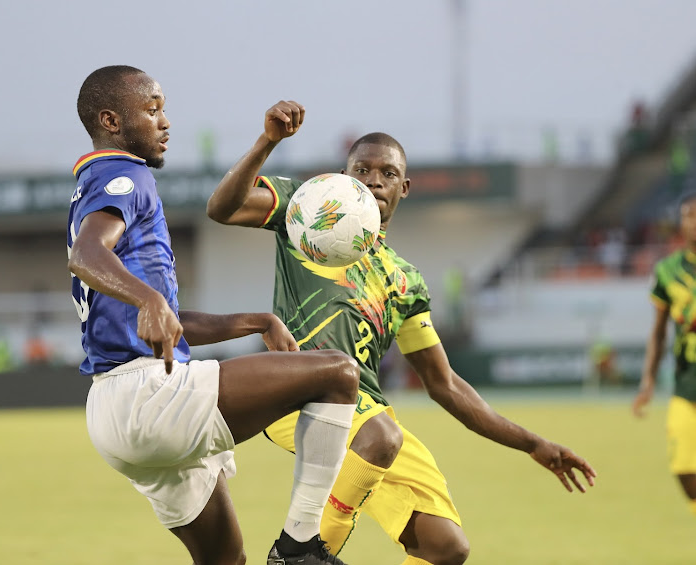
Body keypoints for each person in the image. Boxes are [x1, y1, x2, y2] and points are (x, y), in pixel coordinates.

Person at [207, 100, 598, 565]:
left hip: (367, 413)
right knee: (381, 436)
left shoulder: (405, 281)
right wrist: (268, 141)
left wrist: (534, 443)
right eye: (363, 170)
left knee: (447, 548)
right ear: (346, 176)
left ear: (405, 187)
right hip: (298, 394)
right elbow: (222, 208)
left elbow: (445, 385)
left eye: (388, 173)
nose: (374, 180)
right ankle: (296, 553)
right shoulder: (308, 209)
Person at [68, 67, 362, 565]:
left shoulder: (94, 184)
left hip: (115, 410)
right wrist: (151, 301)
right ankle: (299, 547)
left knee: (225, 559)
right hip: (148, 399)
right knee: (338, 374)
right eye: (154, 108)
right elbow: (87, 255)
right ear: (111, 120)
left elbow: (170, 322)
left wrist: (257, 321)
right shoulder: (126, 174)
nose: (165, 121)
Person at [633, 189, 696, 517]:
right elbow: (658, 332)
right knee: (684, 468)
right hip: (687, 384)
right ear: (681, 223)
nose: (695, 222)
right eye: (689, 215)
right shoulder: (668, 270)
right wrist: (648, 382)